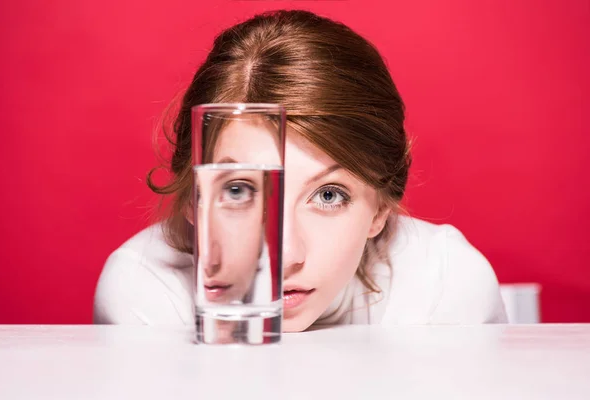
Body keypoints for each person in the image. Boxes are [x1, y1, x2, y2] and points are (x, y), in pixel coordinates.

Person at [93, 9, 507, 330]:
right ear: (192, 201)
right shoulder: (145, 289)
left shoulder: (444, 281)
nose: (283, 255)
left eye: (329, 195)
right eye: (238, 191)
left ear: (381, 209)